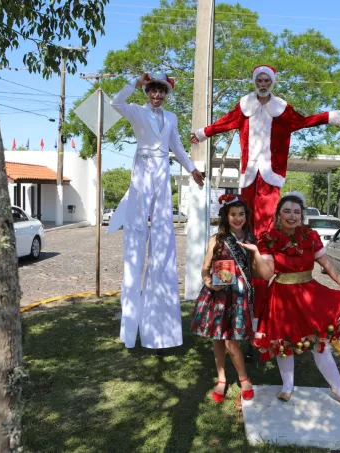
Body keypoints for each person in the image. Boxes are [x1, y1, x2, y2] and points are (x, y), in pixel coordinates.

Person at [190, 64, 340, 329]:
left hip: (271, 174)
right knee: (241, 220)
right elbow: (224, 123)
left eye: (266, 79)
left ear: (271, 82)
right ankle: (233, 286)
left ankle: (257, 306)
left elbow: (302, 122)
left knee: (264, 232)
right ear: (255, 82)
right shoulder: (244, 106)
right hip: (249, 173)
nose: (263, 83)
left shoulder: (282, 109)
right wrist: (201, 134)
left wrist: (328, 117)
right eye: (259, 79)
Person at [240, 192, 340, 410]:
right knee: (283, 345)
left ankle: (339, 389)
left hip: (309, 295)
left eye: (296, 212)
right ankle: (288, 386)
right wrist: (256, 255)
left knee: (320, 344)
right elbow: (267, 274)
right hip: (280, 297)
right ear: (278, 214)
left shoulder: (311, 236)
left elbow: (326, 263)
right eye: (287, 211)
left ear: (302, 215)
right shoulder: (268, 239)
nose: (292, 216)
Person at [108, 72, 205, 353]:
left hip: (163, 172)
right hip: (142, 169)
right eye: (152, 90)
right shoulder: (137, 112)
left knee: (163, 238)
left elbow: (176, 146)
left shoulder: (171, 117)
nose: (157, 95)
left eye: (161, 91)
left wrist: (192, 169)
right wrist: (134, 84)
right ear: (147, 91)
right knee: (137, 235)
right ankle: (130, 329)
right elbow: (115, 102)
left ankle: (160, 329)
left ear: (166, 93)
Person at [190, 194, 256, 402]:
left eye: (241, 214)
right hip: (218, 296)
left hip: (238, 296)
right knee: (219, 338)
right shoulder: (216, 240)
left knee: (231, 341)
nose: (238, 218)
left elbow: (254, 270)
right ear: (225, 217)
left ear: (246, 215)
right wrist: (209, 282)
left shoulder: (251, 239)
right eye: (233, 214)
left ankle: (243, 378)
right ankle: (222, 378)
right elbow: (205, 267)